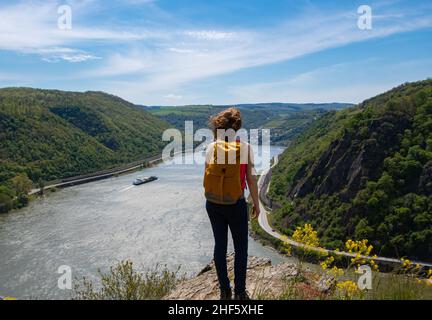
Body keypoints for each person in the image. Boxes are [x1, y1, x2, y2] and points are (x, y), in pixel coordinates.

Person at [203, 107, 260, 300]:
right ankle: (240, 293)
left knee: (220, 245)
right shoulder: (245, 148)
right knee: (240, 249)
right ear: (236, 128)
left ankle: (224, 290)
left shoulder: (211, 147)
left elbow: (207, 174)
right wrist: (257, 204)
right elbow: (251, 180)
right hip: (235, 204)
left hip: (213, 203)